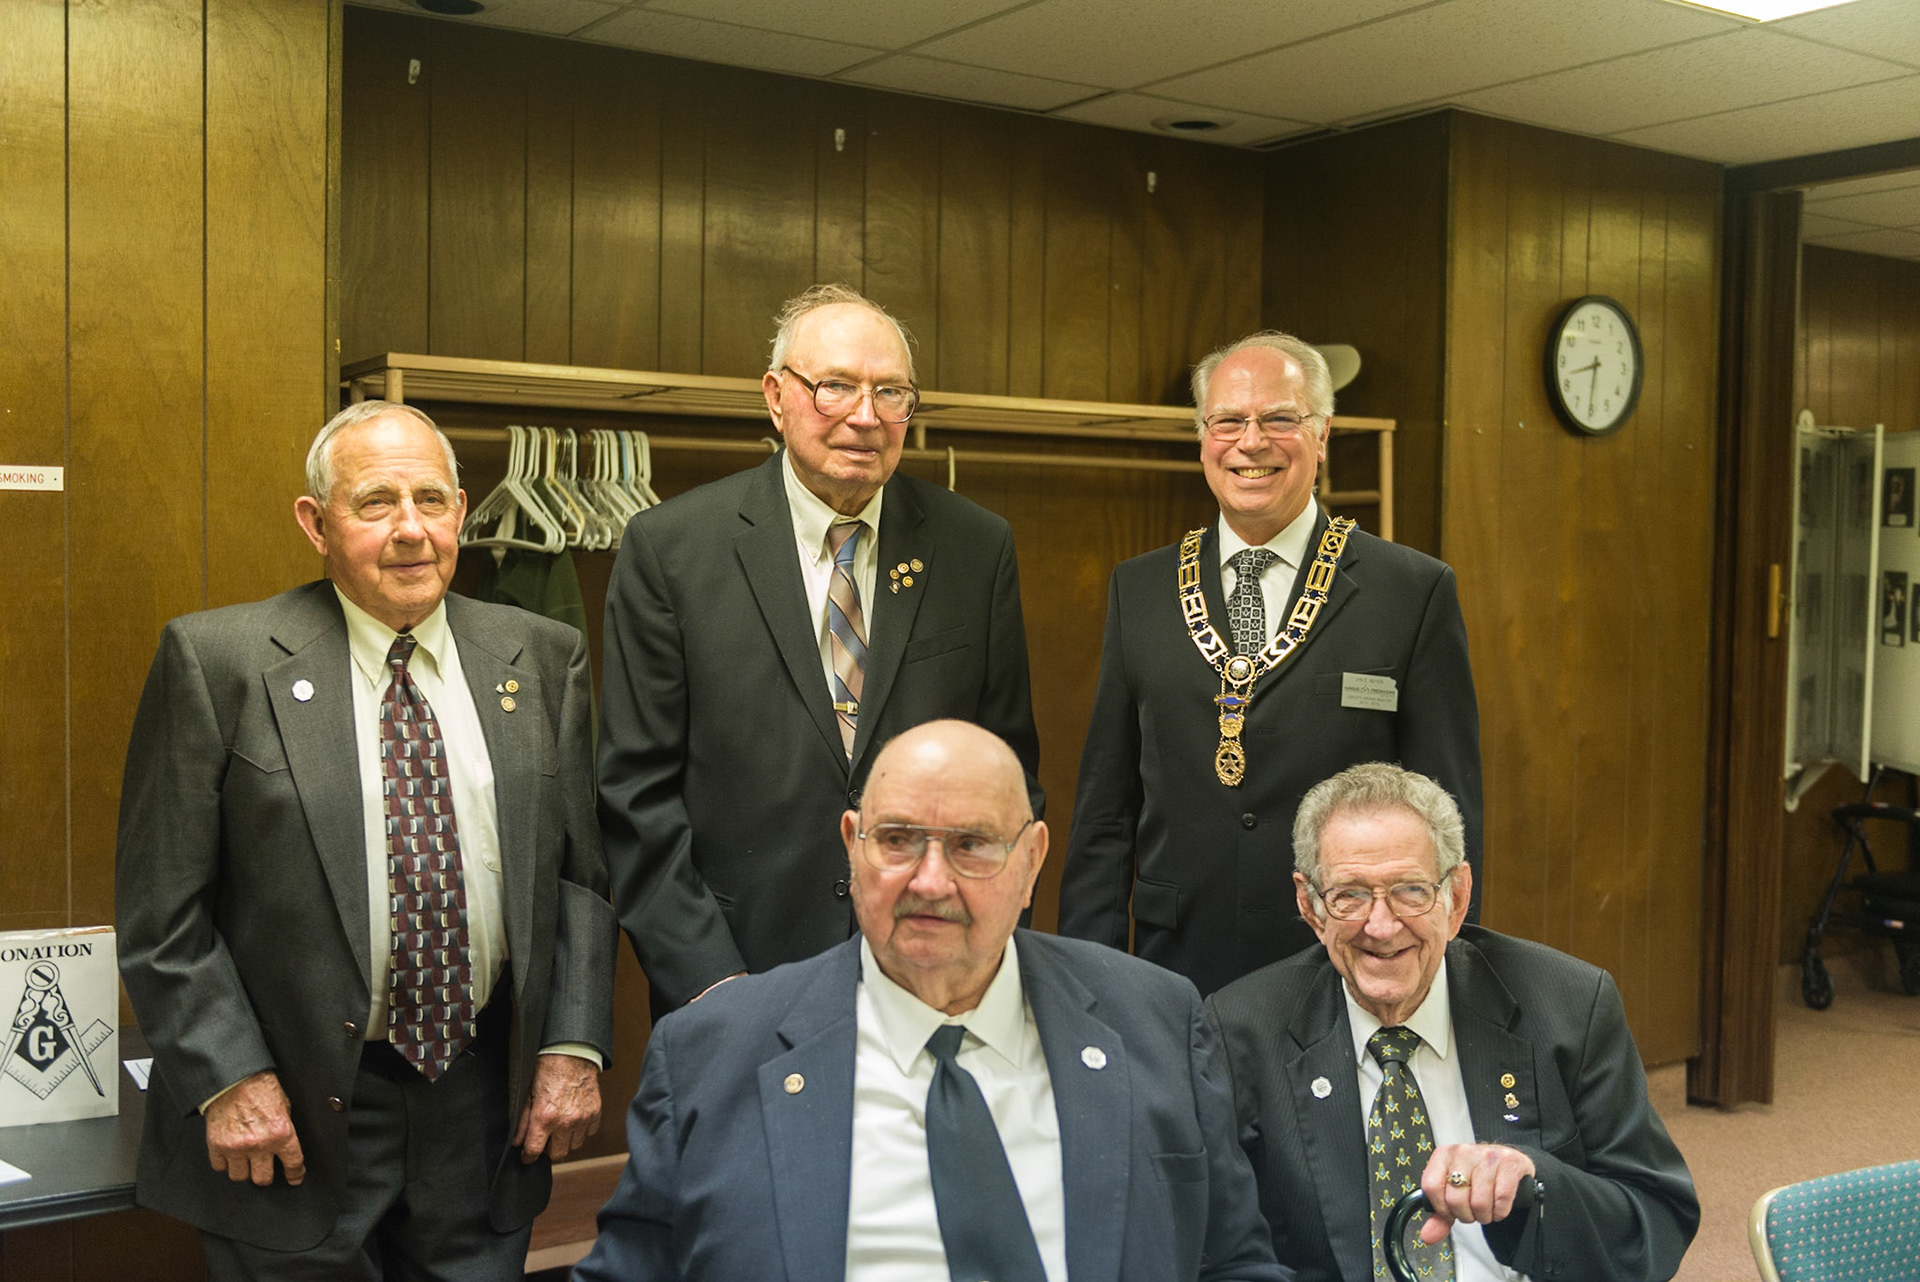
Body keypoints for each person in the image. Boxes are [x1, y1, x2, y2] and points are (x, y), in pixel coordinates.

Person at [115, 401, 615, 1278]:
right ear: (316, 523)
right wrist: (230, 1077)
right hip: (289, 1116)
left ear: (462, 509)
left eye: (430, 498)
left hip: (479, 1107)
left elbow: (579, 881)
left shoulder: (542, 658)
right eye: (376, 502)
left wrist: (571, 1046)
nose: (411, 530)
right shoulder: (219, 663)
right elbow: (163, 911)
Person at [575, 720, 1284, 1281]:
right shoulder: (713, 1052)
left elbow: (1233, 1265)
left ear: (1033, 859)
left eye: (972, 845)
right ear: (852, 847)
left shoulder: (1153, 1021)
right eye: (898, 840)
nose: (930, 881)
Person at [598, 283, 1042, 1013]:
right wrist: (712, 984)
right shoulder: (672, 550)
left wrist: (983, 955)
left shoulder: (975, 546)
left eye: (890, 392)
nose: (864, 418)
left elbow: (1010, 776)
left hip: (933, 972)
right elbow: (636, 796)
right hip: (736, 977)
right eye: (835, 387)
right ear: (777, 397)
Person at [1059, 330, 1482, 996]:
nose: (1250, 442)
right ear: (1203, 438)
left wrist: (1444, 983)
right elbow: (1106, 812)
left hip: (1344, 966)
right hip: (1175, 966)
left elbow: (1449, 817)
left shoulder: (1412, 593)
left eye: (1280, 419)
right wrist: (1084, 979)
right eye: (1228, 421)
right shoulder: (1137, 589)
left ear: (1322, 435)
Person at [1205, 763, 1698, 1282]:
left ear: (1456, 898)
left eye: (1410, 891)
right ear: (1311, 907)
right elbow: (1214, 1245)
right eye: (1349, 894)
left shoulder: (1568, 1005)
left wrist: (1534, 1184)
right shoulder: (1243, 1029)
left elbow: (1657, 1225)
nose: (1381, 925)